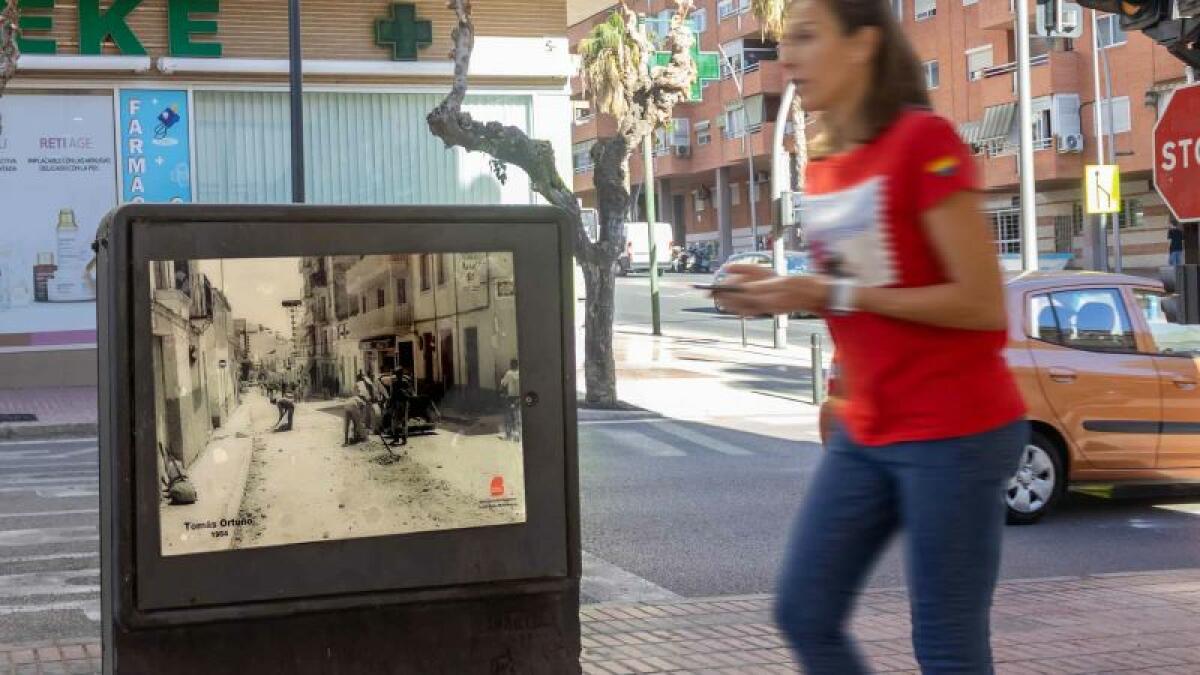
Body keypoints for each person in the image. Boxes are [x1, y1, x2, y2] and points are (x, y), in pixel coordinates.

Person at [713, 2, 1028, 672]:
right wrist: (772, 287)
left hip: (957, 429)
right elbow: (852, 297)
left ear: (862, 45)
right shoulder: (825, 162)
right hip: (869, 427)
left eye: (806, 37)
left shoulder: (925, 142)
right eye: (783, 41)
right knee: (803, 611)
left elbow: (980, 305)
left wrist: (827, 292)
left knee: (945, 641)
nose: (788, 58)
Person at [499, 359, 521, 441]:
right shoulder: (520, 373)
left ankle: (509, 435)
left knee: (509, 416)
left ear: (511, 365)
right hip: (519, 397)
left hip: (511, 397)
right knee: (517, 415)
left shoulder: (509, 373)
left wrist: (501, 390)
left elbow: (503, 384)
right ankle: (517, 435)